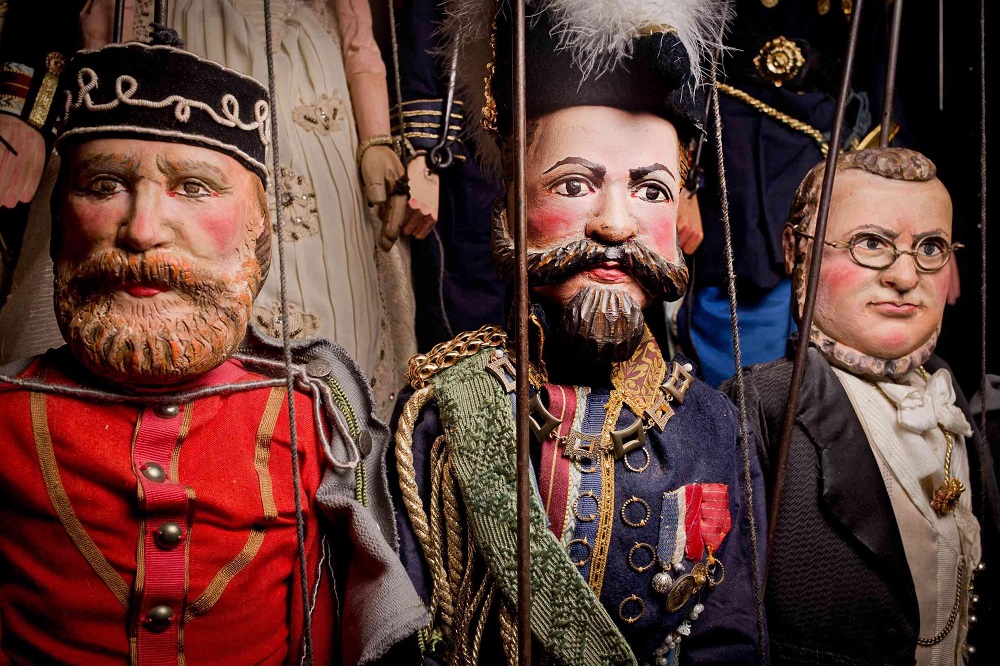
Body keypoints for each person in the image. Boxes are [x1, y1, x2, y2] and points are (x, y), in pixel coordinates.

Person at [0, 39, 426, 663]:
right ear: (62, 217)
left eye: (194, 187)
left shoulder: (311, 421)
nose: (143, 230)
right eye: (104, 185)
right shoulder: (8, 416)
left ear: (258, 228)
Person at [388, 1, 768, 664]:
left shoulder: (714, 428)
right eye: (573, 184)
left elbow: (732, 639)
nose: (615, 224)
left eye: (651, 190)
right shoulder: (440, 415)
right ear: (511, 207)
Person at [0, 0, 416, 418]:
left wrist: (376, 139)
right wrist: (99, 85)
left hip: (309, 79)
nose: (141, 229)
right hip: (177, 38)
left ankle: (305, 426)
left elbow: (359, 35)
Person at [728, 148, 999, 664]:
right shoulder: (761, 409)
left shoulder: (952, 403)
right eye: (871, 243)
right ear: (797, 251)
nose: (905, 276)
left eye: (931, 248)